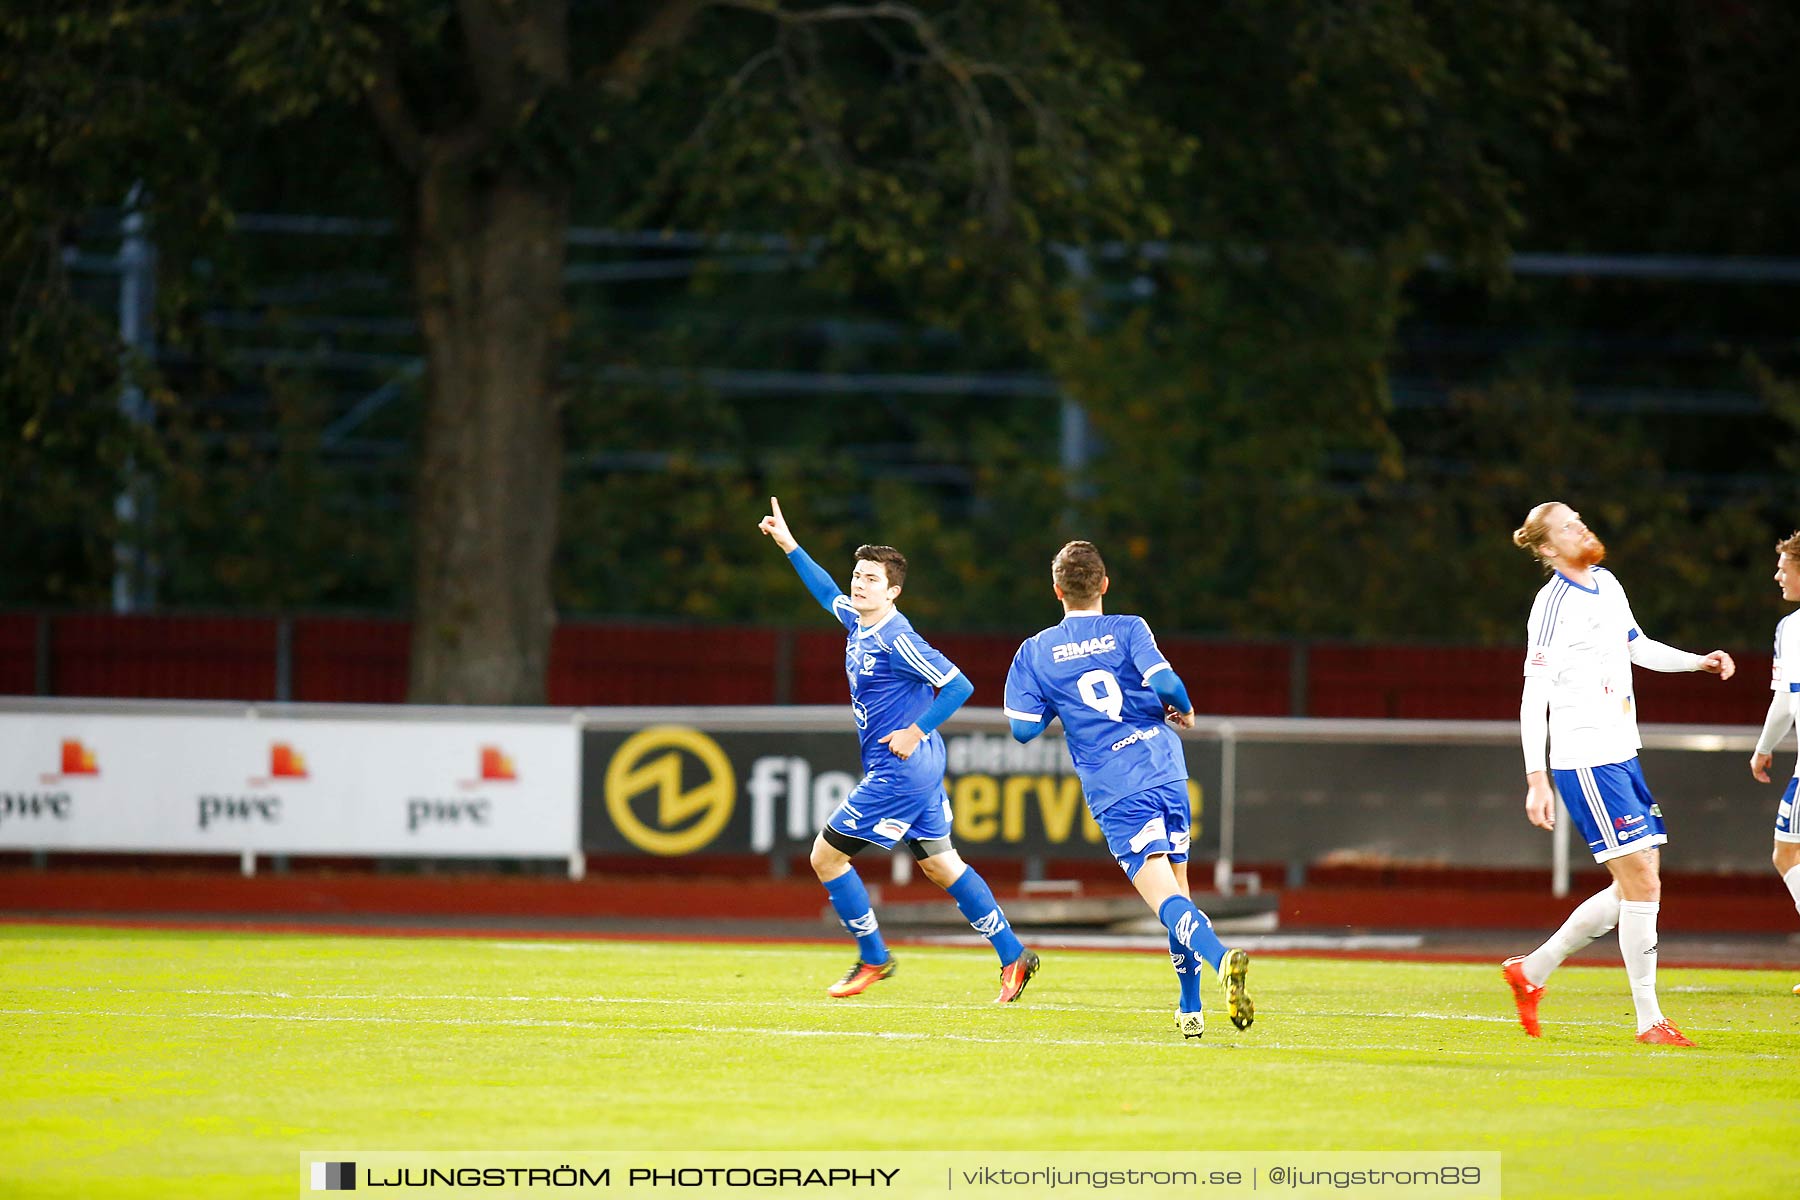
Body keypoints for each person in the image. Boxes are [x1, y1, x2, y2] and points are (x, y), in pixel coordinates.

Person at [758, 496, 1040, 1002]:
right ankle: (1013, 954)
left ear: (893, 592)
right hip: (915, 766)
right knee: (940, 864)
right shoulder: (858, 621)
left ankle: (873, 958)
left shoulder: (896, 637)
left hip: (902, 767)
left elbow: (958, 685)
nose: (859, 584)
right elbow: (826, 592)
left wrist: (916, 730)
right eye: (858, 575)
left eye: (871, 579)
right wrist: (791, 545)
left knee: (826, 858)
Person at [1503, 502, 1735, 1045]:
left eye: (1580, 519)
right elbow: (1532, 693)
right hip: (1584, 759)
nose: (1580, 528)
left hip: (1623, 752)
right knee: (1644, 884)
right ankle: (1648, 1020)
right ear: (1546, 548)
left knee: (1633, 887)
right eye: (1566, 527)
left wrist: (1696, 661)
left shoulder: (1606, 582)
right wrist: (1536, 777)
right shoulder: (1551, 603)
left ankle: (1531, 971)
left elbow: (1638, 646)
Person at [1002, 540, 1251, 1041]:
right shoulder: (1128, 627)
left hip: (1115, 784)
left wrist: (1062, 702)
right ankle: (1190, 1007)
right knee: (1180, 888)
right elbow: (1167, 683)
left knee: (1163, 900)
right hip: (1165, 766)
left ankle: (1221, 956)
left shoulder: (1036, 650)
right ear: (1104, 585)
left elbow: (1024, 729)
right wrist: (1183, 708)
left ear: (1056, 590)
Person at [1746, 529, 1800, 997]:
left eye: (1785, 565)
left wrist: (1763, 748)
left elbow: (1786, 700)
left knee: (1786, 853)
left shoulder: (1793, 629)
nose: (1777, 574)